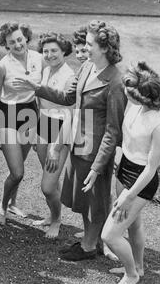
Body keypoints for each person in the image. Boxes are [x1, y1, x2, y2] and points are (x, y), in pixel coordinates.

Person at [13, 20, 127, 260]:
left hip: (95, 150)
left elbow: (113, 130)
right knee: (83, 198)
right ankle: (90, 240)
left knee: (95, 199)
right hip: (77, 142)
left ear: (105, 48)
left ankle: (88, 247)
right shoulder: (87, 68)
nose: (84, 49)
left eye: (89, 44)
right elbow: (67, 97)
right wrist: (37, 87)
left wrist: (98, 166)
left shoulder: (115, 82)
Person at [101, 62, 160, 284]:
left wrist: (129, 196)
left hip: (141, 181)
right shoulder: (136, 106)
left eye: (131, 94)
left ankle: (131, 275)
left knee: (110, 235)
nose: (126, 95)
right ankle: (138, 266)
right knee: (134, 224)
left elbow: (151, 169)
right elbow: (128, 139)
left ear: (145, 97)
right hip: (124, 168)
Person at [13, 32, 75, 238]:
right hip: (43, 128)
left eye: (54, 50)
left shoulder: (70, 77)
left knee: (47, 187)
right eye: (46, 51)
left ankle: (57, 220)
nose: (49, 55)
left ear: (64, 50)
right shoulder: (46, 71)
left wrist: (56, 148)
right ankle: (51, 215)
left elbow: (69, 116)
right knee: (52, 180)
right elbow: (42, 104)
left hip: (60, 132)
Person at [0, 22, 43, 224]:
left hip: (30, 113)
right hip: (8, 115)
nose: (17, 44)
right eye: (11, 42)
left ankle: (13, 203)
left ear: (26, 38)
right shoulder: (3, 64)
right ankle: (2, 207)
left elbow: (42, 92)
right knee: (17, 172)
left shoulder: (39, 59)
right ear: (5, 44)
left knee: (20, 166)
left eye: (19, 39)